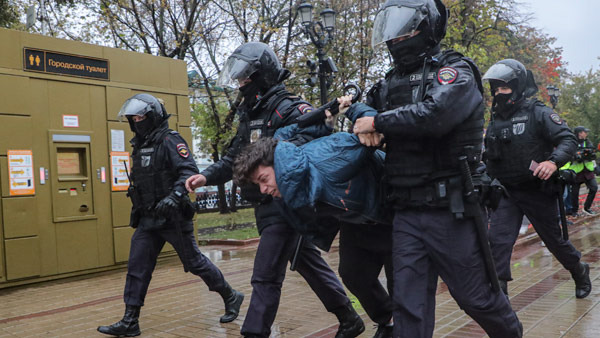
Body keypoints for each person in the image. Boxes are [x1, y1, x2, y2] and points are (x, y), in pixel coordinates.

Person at [350, 0, 523, 337]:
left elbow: (435, 115)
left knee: (475, 297)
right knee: (408, 306)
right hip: (405, 210)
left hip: (449, 210)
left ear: (426, 27)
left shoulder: (454, 70)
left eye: (404, 27)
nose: (395, 37)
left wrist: (378, 121)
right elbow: (366, 113)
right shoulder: (389, 81)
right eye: (391, 28)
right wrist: (363, 122)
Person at [184, 42, 364, 338]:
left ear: (262, 74)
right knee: (306, 261)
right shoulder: (250, 112)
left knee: (265, 274)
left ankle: (255, 332)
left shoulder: (290, 107)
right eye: (239, 77)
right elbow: (235, 159)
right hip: (263, 202)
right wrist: (205, 177)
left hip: (286, 201)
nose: (241, 83)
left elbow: (312, 144)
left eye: (245, 76)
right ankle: (349, 317)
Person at [97, 94, 244, 337]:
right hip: (147, 218)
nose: (136, 121)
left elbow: (188, 171)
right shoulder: (140, 144)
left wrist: (175, 195)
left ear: (153, 116)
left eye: (140, 116)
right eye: (133, 118)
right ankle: (130, 320)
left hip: (173, 217)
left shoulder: (170, 140)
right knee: (137, 267)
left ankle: (231, 295)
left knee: (194, 263)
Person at [233, 125, 394, 337]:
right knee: (353, 274)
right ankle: (387, 321)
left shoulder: (331, 153)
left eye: (263, 179)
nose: (263, 189)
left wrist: (370, 124)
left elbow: (372, 138)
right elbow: (288, 131)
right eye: (258, 184)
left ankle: (400, 326)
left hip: (392, 214)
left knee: (402, 284)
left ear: (279, 165)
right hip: (356, 221)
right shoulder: (288, 186)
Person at [482, 59, 592, 299]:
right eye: (496, 89)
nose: (499, 94)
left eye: (505, 88)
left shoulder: (537, 112)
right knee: (497, 243)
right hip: (507, 192)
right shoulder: (494, 120)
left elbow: (568, 140)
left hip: (536, 191)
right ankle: (499, 298)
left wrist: (552, 162)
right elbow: (490, 157)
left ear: (518, 86)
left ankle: (578, 269)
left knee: (554, 241)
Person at [564, 126, 597, 216]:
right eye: (584, 132)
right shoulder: (572, 143)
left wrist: (588, 154)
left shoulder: (587, 141)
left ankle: (587, 207)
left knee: (594, 188)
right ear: (579, 133)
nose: (586, 134)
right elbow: (569, 154)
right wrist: (576, 155)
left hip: (587, 170)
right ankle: (574, 211)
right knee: (575, 193)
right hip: (576, 171)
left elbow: (592, 151)